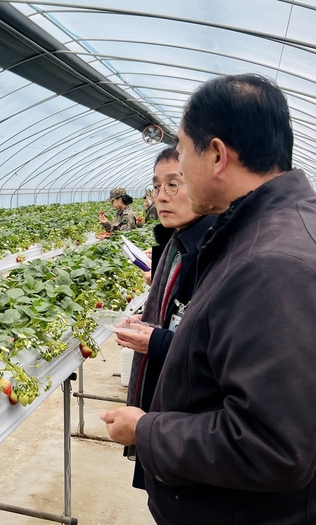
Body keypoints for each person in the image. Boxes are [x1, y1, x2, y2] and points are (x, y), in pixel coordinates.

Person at [101, 74, 316, 524]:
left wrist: (147, 430)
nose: (177, 166)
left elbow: (272, 446)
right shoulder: (264, 234)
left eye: (182, 150)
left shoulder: (272, 263)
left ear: (216, 155)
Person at [113, 146, 215, 489]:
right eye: (156, 187)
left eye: (174, 184)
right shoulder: (177, 243)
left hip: (192, 423)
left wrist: (155, 339)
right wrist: (153, 315)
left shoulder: (215, 251)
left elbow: (212, 345)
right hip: (168, 399)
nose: (161, 197)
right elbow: (182, 315)